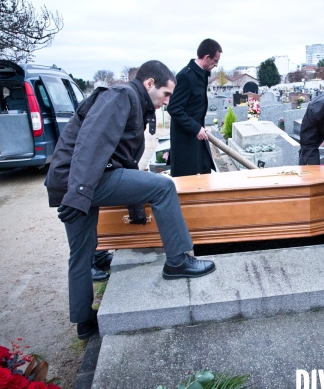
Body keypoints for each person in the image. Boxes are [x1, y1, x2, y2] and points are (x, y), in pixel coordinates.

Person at [45, 60, 216, 340]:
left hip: (72, 181)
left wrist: (134, 209)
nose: (167, 102)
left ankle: (84, 322)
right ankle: (177, 261)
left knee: (82, 254)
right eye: (166, 94)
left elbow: (123, 160)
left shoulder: (131, 100)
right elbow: (92, 142)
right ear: (150, 84)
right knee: (163, 187)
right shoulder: (122, 96)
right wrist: (78, 196)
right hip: (83, 181)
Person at [168, 38, 222, 177]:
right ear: (207, 57)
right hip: (185, 142)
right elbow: (174, 108)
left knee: (204, 174)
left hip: (198, 138)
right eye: (215, 61)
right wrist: (195, 128)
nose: (216, 65)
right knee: (190, 182)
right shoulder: (186, 76)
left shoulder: (201, 75)